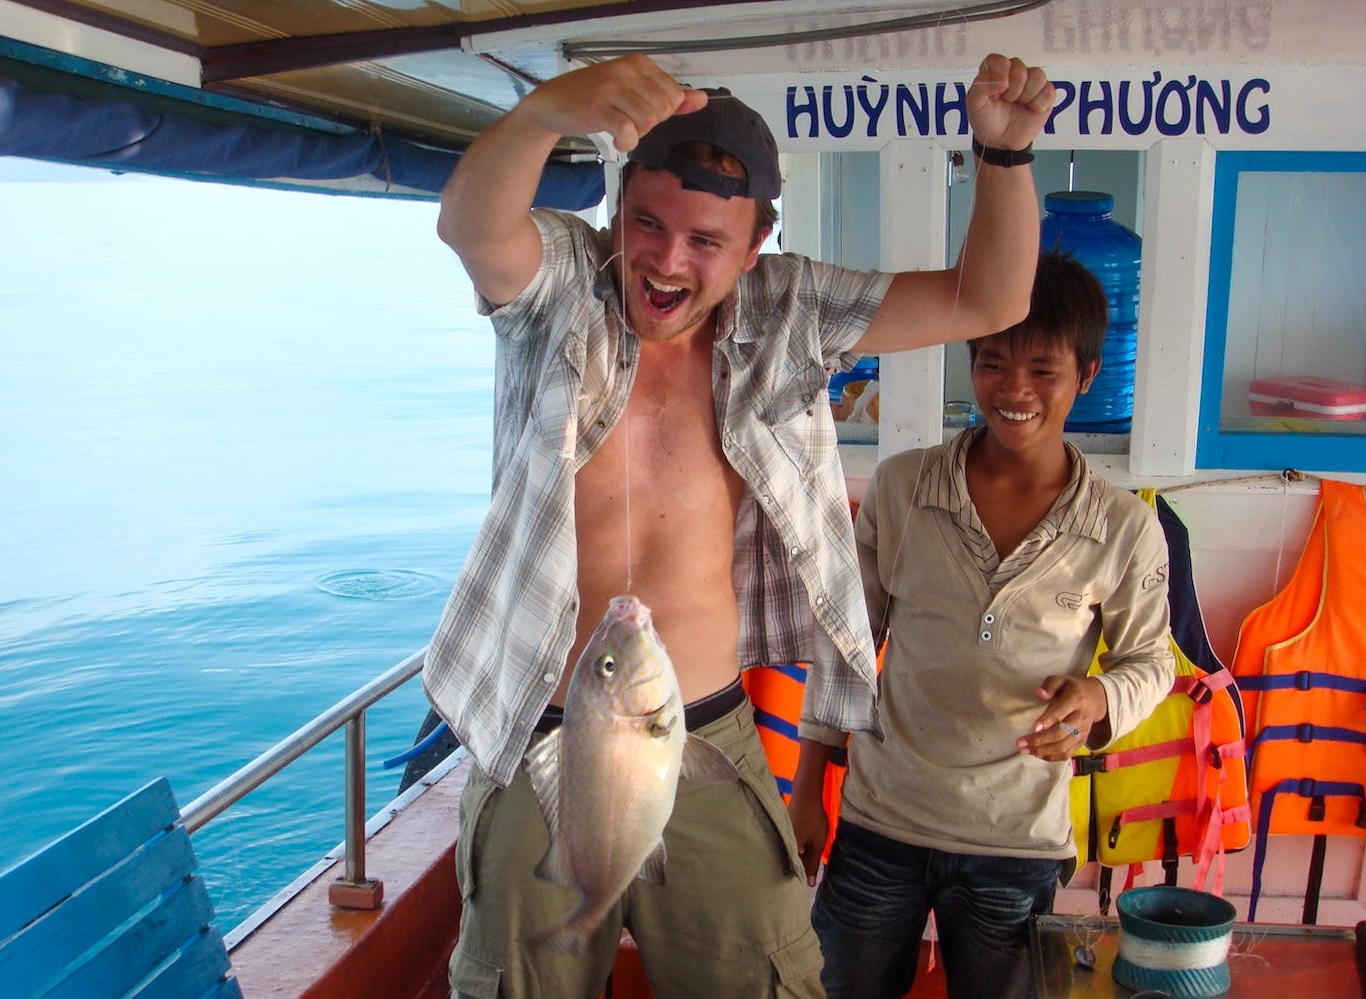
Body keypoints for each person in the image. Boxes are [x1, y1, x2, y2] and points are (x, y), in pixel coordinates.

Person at [425, 50, 1055, 999]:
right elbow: (471, 225)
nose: (667, 260)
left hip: (709, 731)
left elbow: (989, 299)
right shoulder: (559, 284)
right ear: (617, 209)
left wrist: (1003, 160)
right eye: (646, 223)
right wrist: (547, 110)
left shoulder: (789, 305)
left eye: (705, 240)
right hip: (537, 732)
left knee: (766, 979)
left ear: (758, 241)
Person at [789, 251, 1176, 999]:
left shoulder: (1123, 527)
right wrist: (809, 786)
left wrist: (1095, 702)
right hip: (880, 822)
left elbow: (1149, 661)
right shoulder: (904, 488)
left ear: (1088, 375)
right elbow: (848, 642)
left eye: (1043, 370)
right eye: (994, 364)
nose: (1015, 390)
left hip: (1017, 838)